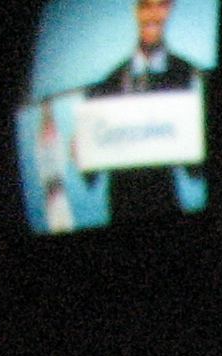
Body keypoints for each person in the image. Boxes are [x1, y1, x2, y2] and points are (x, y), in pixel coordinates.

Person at [85, 0, 206, 221]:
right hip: (121, 213)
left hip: (167, 206)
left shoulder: (189, 74)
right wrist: (83, 150)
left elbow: (197, 170)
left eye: (161, 5)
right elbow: (92, 173)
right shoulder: (107, 83)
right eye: (145, 5)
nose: (153, 15)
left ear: (170, 9)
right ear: (135, 10)